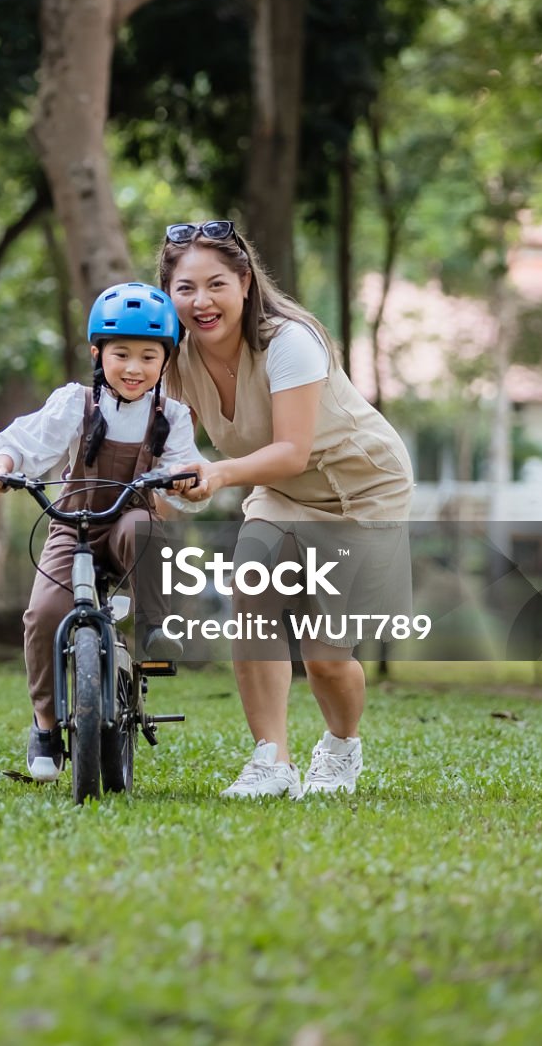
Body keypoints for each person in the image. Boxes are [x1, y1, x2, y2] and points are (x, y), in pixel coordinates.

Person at [159, 221, 415, 800]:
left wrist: (217, 473)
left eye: (216, 284)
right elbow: (171, 440)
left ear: (245, 283)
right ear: (168, 294)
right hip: (282, 491)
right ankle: (271, 760)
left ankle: (342, 746)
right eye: (185, 289)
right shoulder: (176, 358)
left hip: (363, 490)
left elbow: (292, 448)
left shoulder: (289, 341)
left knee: (326, 658)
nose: (202, 302)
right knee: (253, 602)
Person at [0, 282, 209, 780]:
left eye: (149, 357)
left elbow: (186, 473)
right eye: (120, 354)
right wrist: (4, 464)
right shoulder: (75, 404)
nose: (133, 368)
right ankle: (44, 726)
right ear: (96, 353)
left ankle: (154, 627)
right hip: (73, 525)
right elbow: (28, 441)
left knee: (145, 527)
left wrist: (189, 485)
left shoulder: (171, 416)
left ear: (165, 362)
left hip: (128, 524)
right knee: (43, 614)